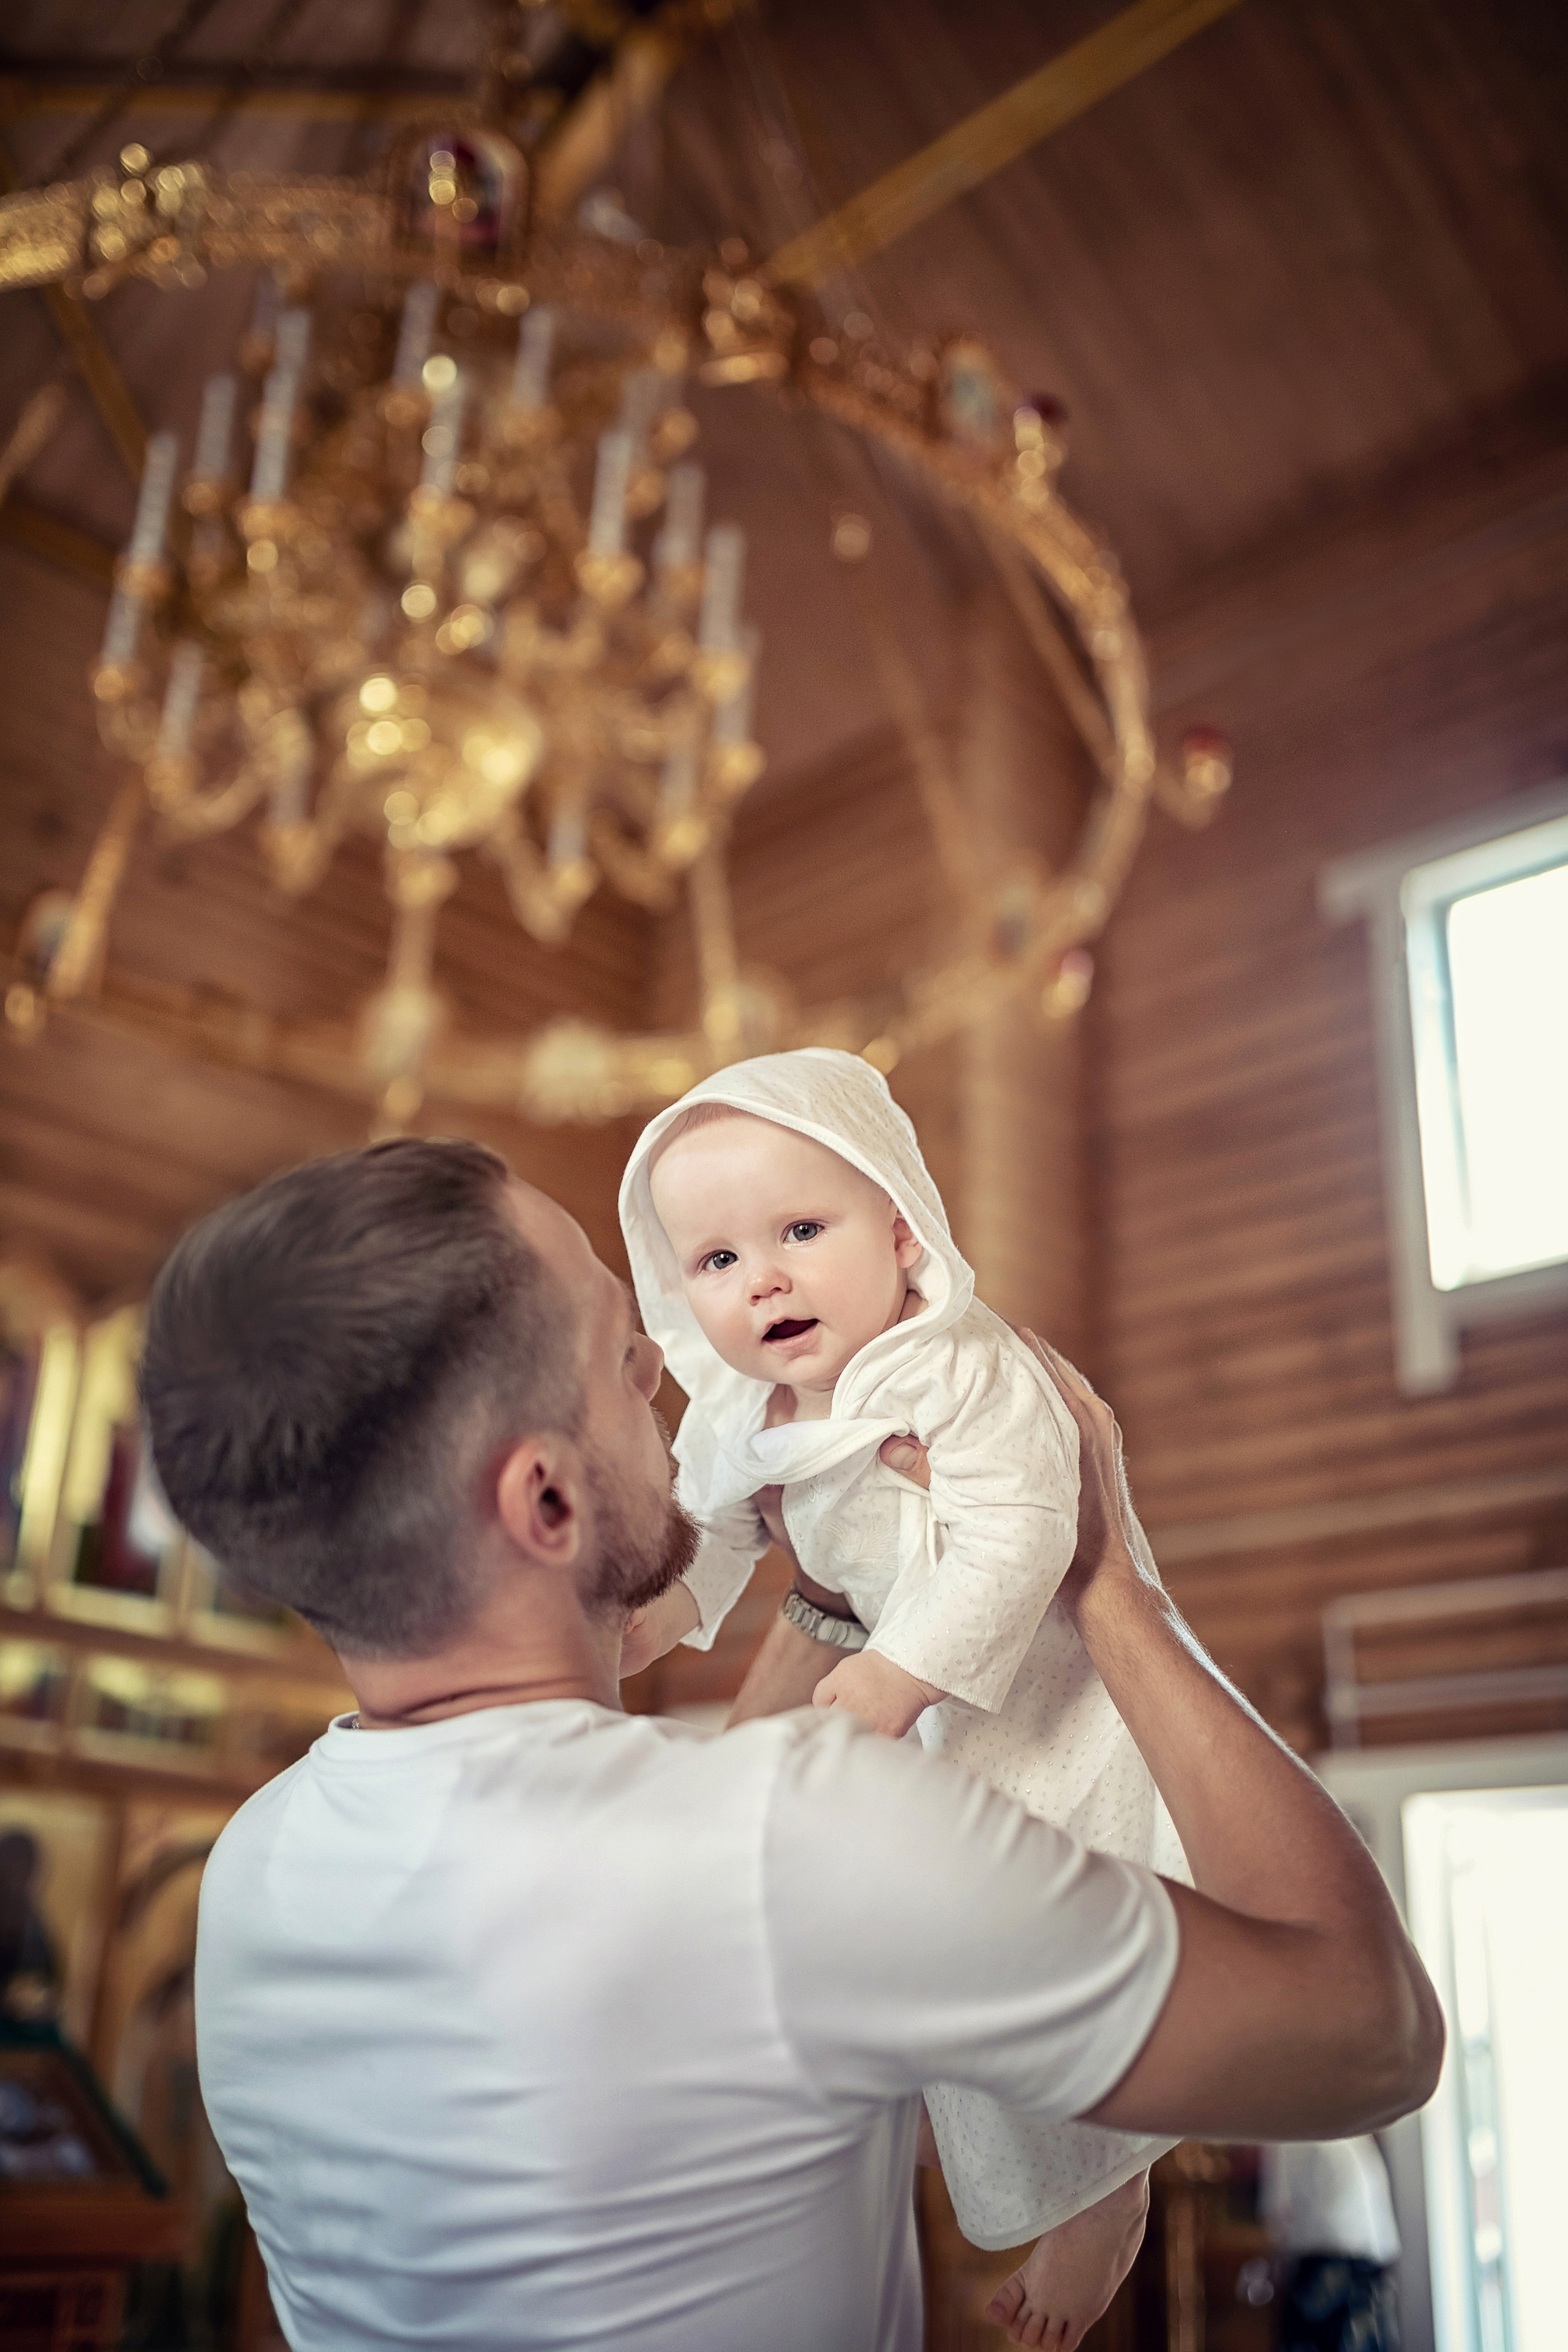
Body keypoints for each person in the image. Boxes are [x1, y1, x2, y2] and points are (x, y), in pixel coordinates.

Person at [139, 1137, 1442, 2352]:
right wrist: (1106, 1575)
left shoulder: (255, 1871)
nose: (665, 1362)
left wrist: (827, 1591)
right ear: (543, 1498)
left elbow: (676, 1880)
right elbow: (1369, 2036)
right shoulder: (795, 1845)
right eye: (613, 1355)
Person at [617, 1049, 1185, 2334]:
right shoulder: (734, 1412)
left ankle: (1102, 2210)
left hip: (1057, 1705)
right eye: (712, 1262)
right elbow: (710, 1538)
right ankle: (988, 2150)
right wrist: (646, 1623)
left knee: (1062, 1951)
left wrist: (886, 1675)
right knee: (945, 1947)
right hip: (928, 1722)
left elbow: (1021, 1532)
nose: (759, 1278)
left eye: (798, 1231)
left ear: (896, 1224)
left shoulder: (963, 1365)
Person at [1261, 2136, 1402, 2352]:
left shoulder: (1289, 2134)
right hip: (1370, 2270)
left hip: (1325, 2269)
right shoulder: (1356, 2135)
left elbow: (1278, 2212)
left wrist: (1272, 2269)